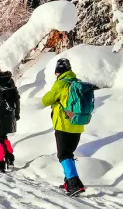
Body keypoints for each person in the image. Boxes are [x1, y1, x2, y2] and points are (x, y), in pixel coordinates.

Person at [41, 58, 87, 196]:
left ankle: (73, 184)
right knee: (69, 153)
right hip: (77, 124)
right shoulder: (77, 82)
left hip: (63, 124)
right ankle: (70, 182)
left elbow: (45, 100)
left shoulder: (61, 83)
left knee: (63, 155)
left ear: (58, 71)